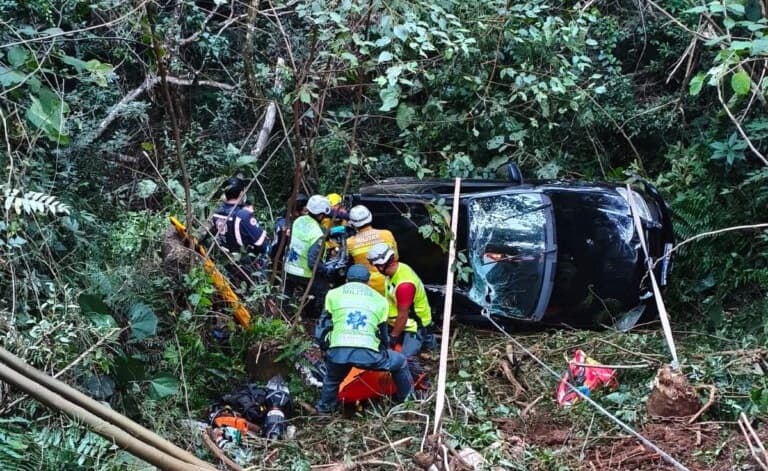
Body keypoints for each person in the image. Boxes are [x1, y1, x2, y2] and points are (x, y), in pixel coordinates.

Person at [314, 264, 413, 414]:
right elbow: (383, 334)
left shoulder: (333, 294)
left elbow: (324, 325)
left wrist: (325, 348)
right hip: (369, 354)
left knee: (332, 379)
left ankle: (325, 411)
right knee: (400, 362)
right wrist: (384, 351)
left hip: (338, 352)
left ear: (347, 280)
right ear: (368, 281)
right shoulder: (380, 300)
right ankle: (408, 403)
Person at [367, 243, 434, 383]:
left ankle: (423, 383)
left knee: (406, 358)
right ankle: (430, 349)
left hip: (414, 325)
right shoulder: (393, 273)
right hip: (398, 320)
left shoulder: (404, 285)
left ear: (381, 266)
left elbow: (403, 316)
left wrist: (393, 337)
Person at [284, 195, 343, 317]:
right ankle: (315, 316)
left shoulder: (298, 221)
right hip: (304, 272)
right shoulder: (317, 234)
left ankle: (284, 314)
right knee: (323, 290)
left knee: (286, 296)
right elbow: (312, 263)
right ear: (321, 215)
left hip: (289, 268)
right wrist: (326, 270)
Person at [210, 177, 270, 283]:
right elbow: (261, 244)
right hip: (245, 261)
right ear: (242, 193)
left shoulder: (216, 212)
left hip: (227, 259)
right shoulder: (243, 215)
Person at [346, 205, 398, 296]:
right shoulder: (387, 234)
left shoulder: (350, 242)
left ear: (353, 224)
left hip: (366, 288)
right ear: (370, 217)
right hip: (389, 284)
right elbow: (396, 258)